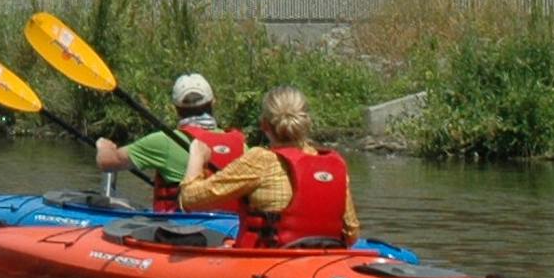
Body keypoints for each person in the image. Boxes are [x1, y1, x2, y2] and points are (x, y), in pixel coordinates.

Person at [178, 84, 360, 246]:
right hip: (324, 260)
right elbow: (351, 234)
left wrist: (197, 156)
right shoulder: (333, 163)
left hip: (271, 261)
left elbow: (189, 200)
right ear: (307, 122)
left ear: (264, 125)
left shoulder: (259, 159)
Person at [95, 73, 246, 211]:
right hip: (231, 231)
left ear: (175, 109)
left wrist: (104, 146)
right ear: (213, 102)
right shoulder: (241, 145)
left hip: (179, 231)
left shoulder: (164, 141)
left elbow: (106, 162)